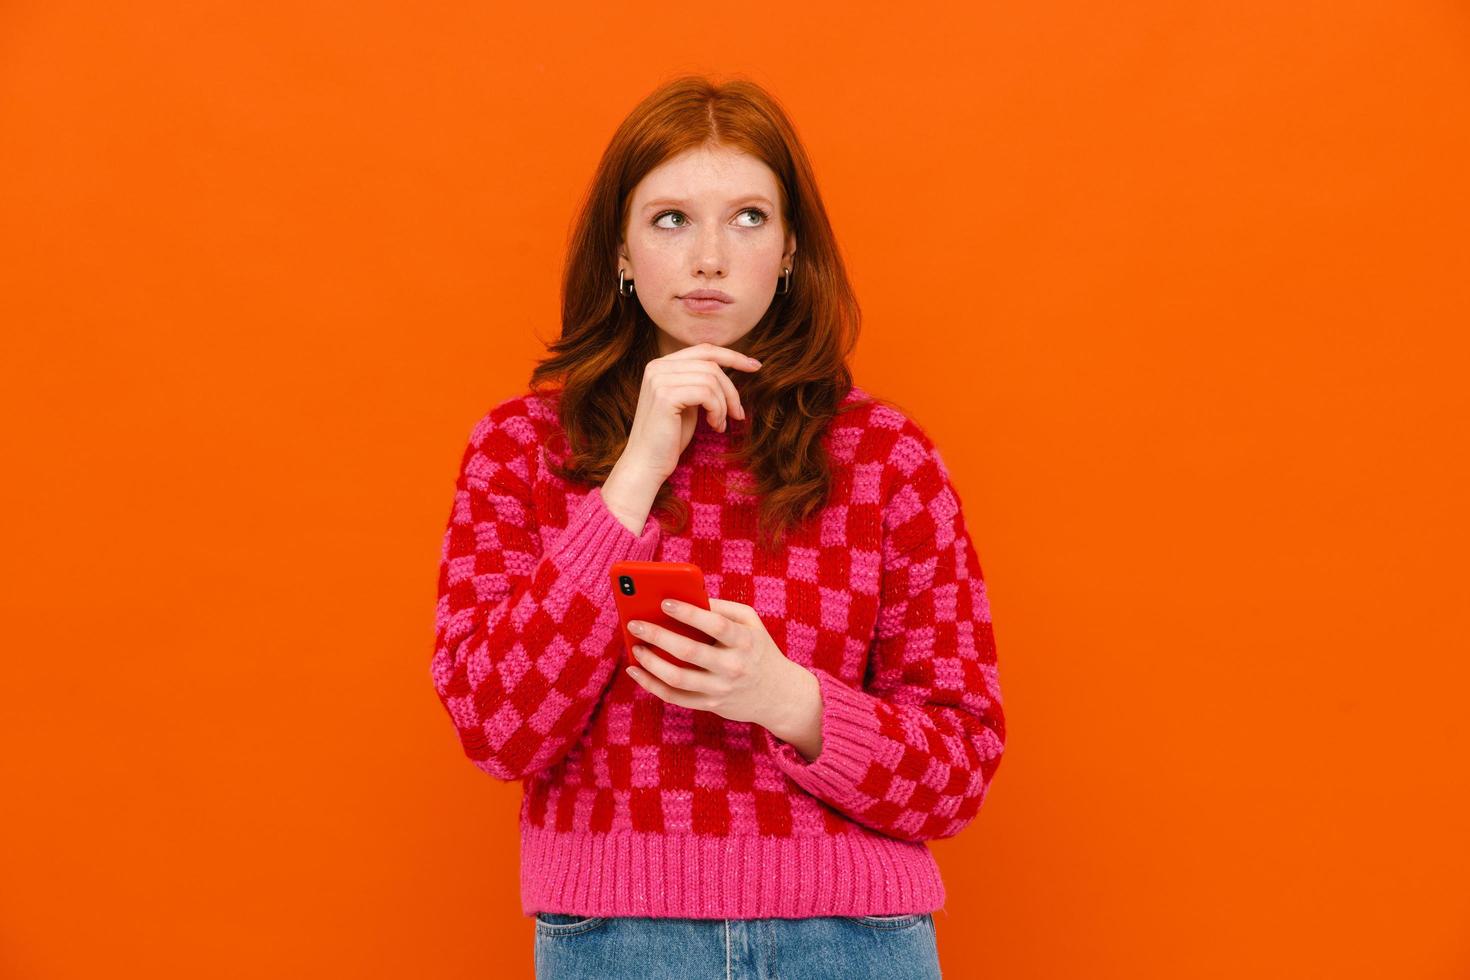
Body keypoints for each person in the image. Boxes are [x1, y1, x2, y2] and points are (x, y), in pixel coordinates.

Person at [429, 74, 1006, 980]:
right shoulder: (521, 447)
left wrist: (785, 698)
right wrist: (632, 479)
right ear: (620, 251)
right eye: (670, 219)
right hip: (616, 941)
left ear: (788, 254)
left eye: (746, 218)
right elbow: (495, 725)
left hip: (852, 942)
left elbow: (961, 765)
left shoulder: (887, 456)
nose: (709, 257)